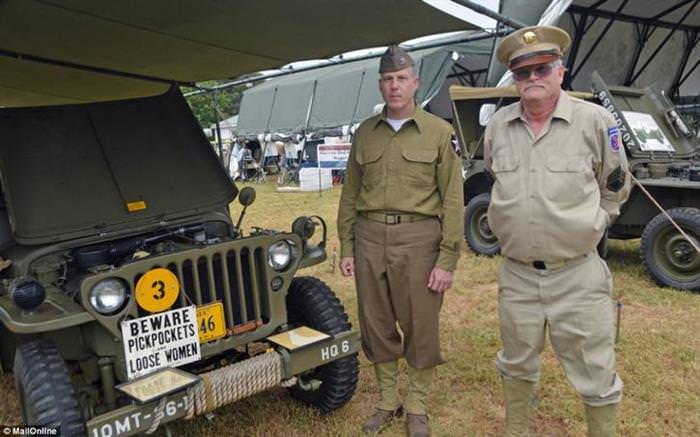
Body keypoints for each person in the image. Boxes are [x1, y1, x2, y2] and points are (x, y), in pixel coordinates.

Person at [484, 25, 631, 436]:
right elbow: (495, 174)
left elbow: (616, 183)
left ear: (560, 72)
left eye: (542, 69)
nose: (532, 79)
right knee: (515, 363)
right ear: (514, 78)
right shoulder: (498, 126)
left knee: (596, 372)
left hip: (577, 275)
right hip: (517, 275)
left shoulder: (595, 121)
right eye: (522, 73)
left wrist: (597, 221)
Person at [337, 45, 463, 437]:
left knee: (420, 323)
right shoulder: (365, 133)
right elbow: (350, 194)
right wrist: (347, 246)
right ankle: (388, 401)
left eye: (402, 79)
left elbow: (454, 199)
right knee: (375, 322)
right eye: (388, 79)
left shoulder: (439, 132)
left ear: (416, 83)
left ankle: (417, 406)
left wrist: (447, 259)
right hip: (370, 236)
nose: (395, 86)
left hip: (419, 239)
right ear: (381, 85)